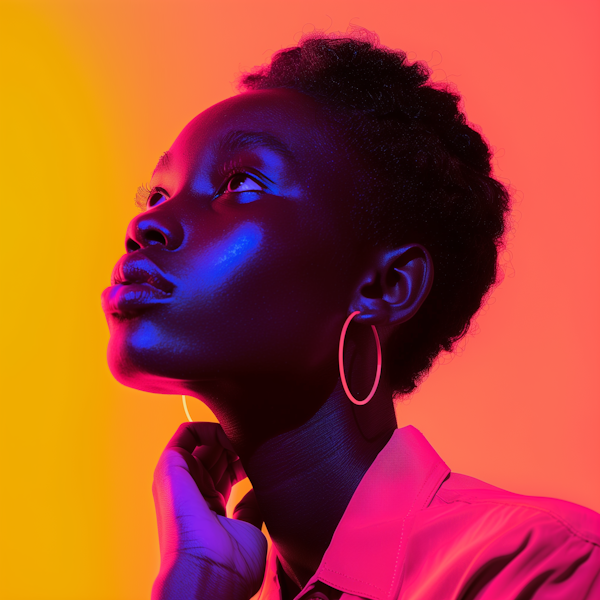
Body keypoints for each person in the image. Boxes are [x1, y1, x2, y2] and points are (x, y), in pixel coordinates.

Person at [101, 29, 600, 600]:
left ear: (387, 285)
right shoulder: (229, 584)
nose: (145, 226)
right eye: (156, 195)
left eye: (240, 182)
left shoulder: (538, 569)